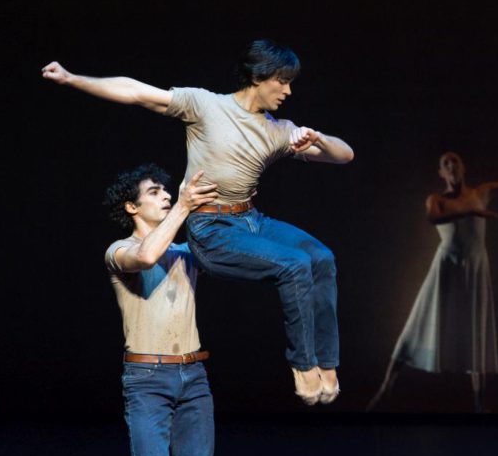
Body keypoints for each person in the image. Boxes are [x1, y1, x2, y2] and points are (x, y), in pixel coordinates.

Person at [43, 40, 354, 405]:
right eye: (282, 81)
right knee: (295, 264)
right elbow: (136, 92)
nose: (288, 91)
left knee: (322, 257)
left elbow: (343, 155)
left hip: (252, 219)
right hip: (212, 231)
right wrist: (72, 79)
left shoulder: (279, 129)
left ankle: (327, 364)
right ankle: (303, 368)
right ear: (259, 76)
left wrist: (318, 138)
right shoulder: (205, 105)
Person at [104, 163, 245, 456]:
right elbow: (147, 257)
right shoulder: (120, 250)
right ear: (132, 206)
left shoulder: (187, 251)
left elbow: (233, 249)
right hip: (147, 382)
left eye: (168, 190)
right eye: (155, 191)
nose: (165, 195)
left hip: (193, 380)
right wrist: (183, 205)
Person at [368, 112, 498, 413]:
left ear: (463, 167)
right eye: (446, 164)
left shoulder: (480, 194)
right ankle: (384, 390)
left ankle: (479, 406)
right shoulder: (437, 199)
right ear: (441, 173)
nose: (451, 166)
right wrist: (475, 214)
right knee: (417, 323)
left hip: (474, 266)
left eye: (455, 161)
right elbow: (434, 218)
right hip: (446, 266)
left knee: (475, 330)